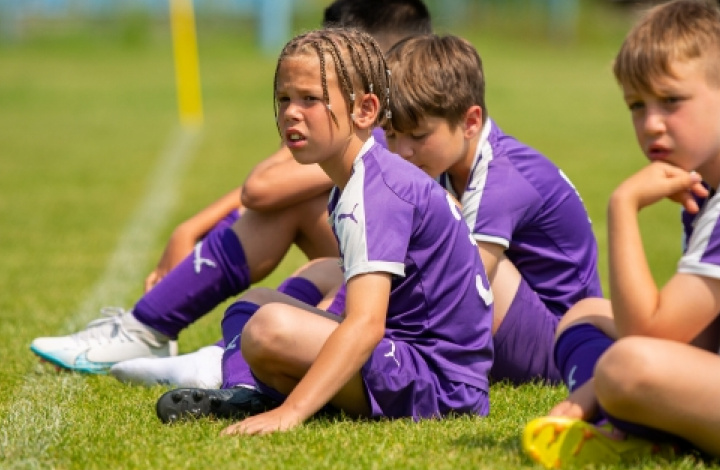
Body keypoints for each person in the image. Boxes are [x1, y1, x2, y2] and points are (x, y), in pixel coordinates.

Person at [30, 0, 432, 379]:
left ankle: (202, 350)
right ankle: (176, 338)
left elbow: (262, 189)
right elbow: (267, 188)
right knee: (298, 221)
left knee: (292, 209)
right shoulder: (377, 128)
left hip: (416, 305)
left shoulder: (382, 136)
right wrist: (191, 227)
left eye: (330, 60)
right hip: (387, 280)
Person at [157, 27, 494, 430]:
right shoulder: (358, 180)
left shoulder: (376, 190)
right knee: (257, 306)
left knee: (268, 328)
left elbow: (367, 323)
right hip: (420, 362)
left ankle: (269, 400)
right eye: (284, 99)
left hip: (442, 387)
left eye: (310, 99)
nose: (291, 113)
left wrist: (291, 414)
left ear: (365, 111)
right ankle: (252, 393)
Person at [522, 0, 720, 470]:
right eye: (636, 104)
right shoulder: (708, 179)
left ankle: (633, 424)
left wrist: (624, 207)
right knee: (584, 314)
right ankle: (647, 420)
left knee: (626, 368)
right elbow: (694, 339)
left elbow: (645, 336)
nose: (651, 123)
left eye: (671, 101)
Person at [384, 34, 601, 385]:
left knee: (456, 256)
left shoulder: (501, 178)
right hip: (518, 325)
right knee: (330, 268)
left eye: (418, 136)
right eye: (391, 135)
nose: (401, 151)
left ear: (471, 121)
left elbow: (461, 285)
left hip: (563, 347)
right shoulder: (443, 160)